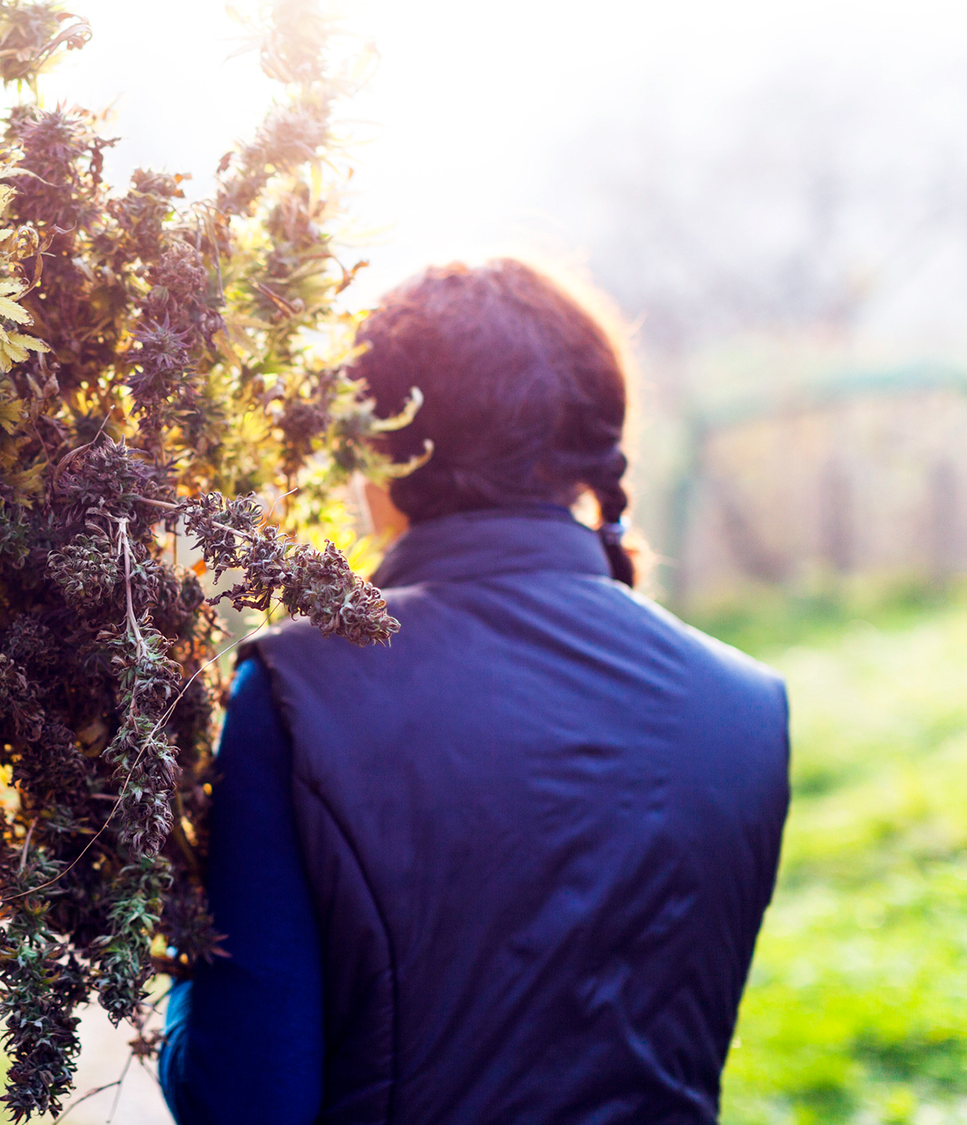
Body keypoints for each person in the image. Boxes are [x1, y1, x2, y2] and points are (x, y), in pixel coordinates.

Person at [157, 259, 790, 1124]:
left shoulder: (296, 692)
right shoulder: (747, 706)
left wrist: (179, 907)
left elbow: (243, 1100)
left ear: (378, 445)